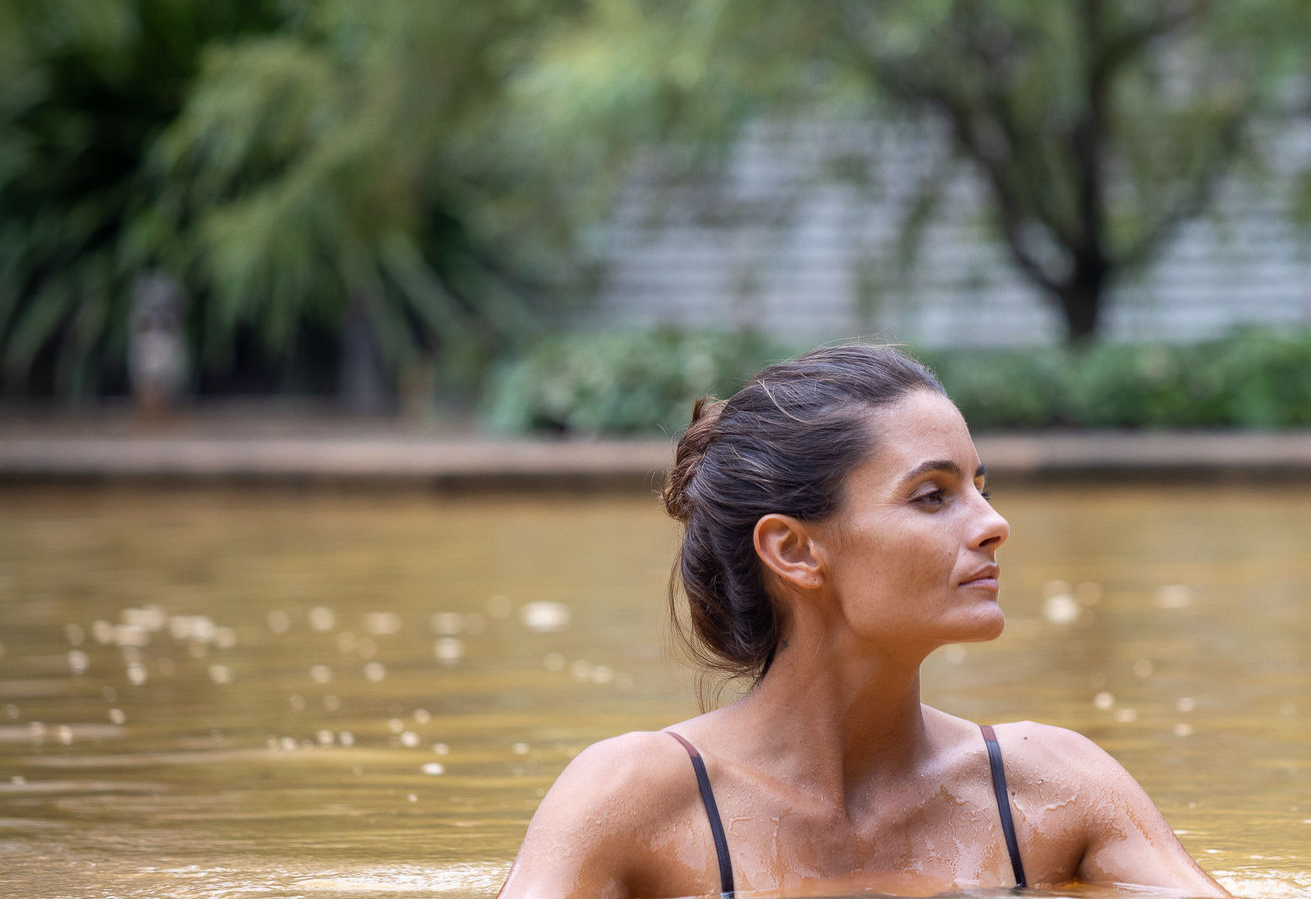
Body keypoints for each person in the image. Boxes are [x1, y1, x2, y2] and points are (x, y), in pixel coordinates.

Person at [496, 345, 1228, 898]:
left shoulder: (1048, 791)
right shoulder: (632, 801)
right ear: (793, 549)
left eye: (980, 488)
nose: (995, 524)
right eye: (932, 497)